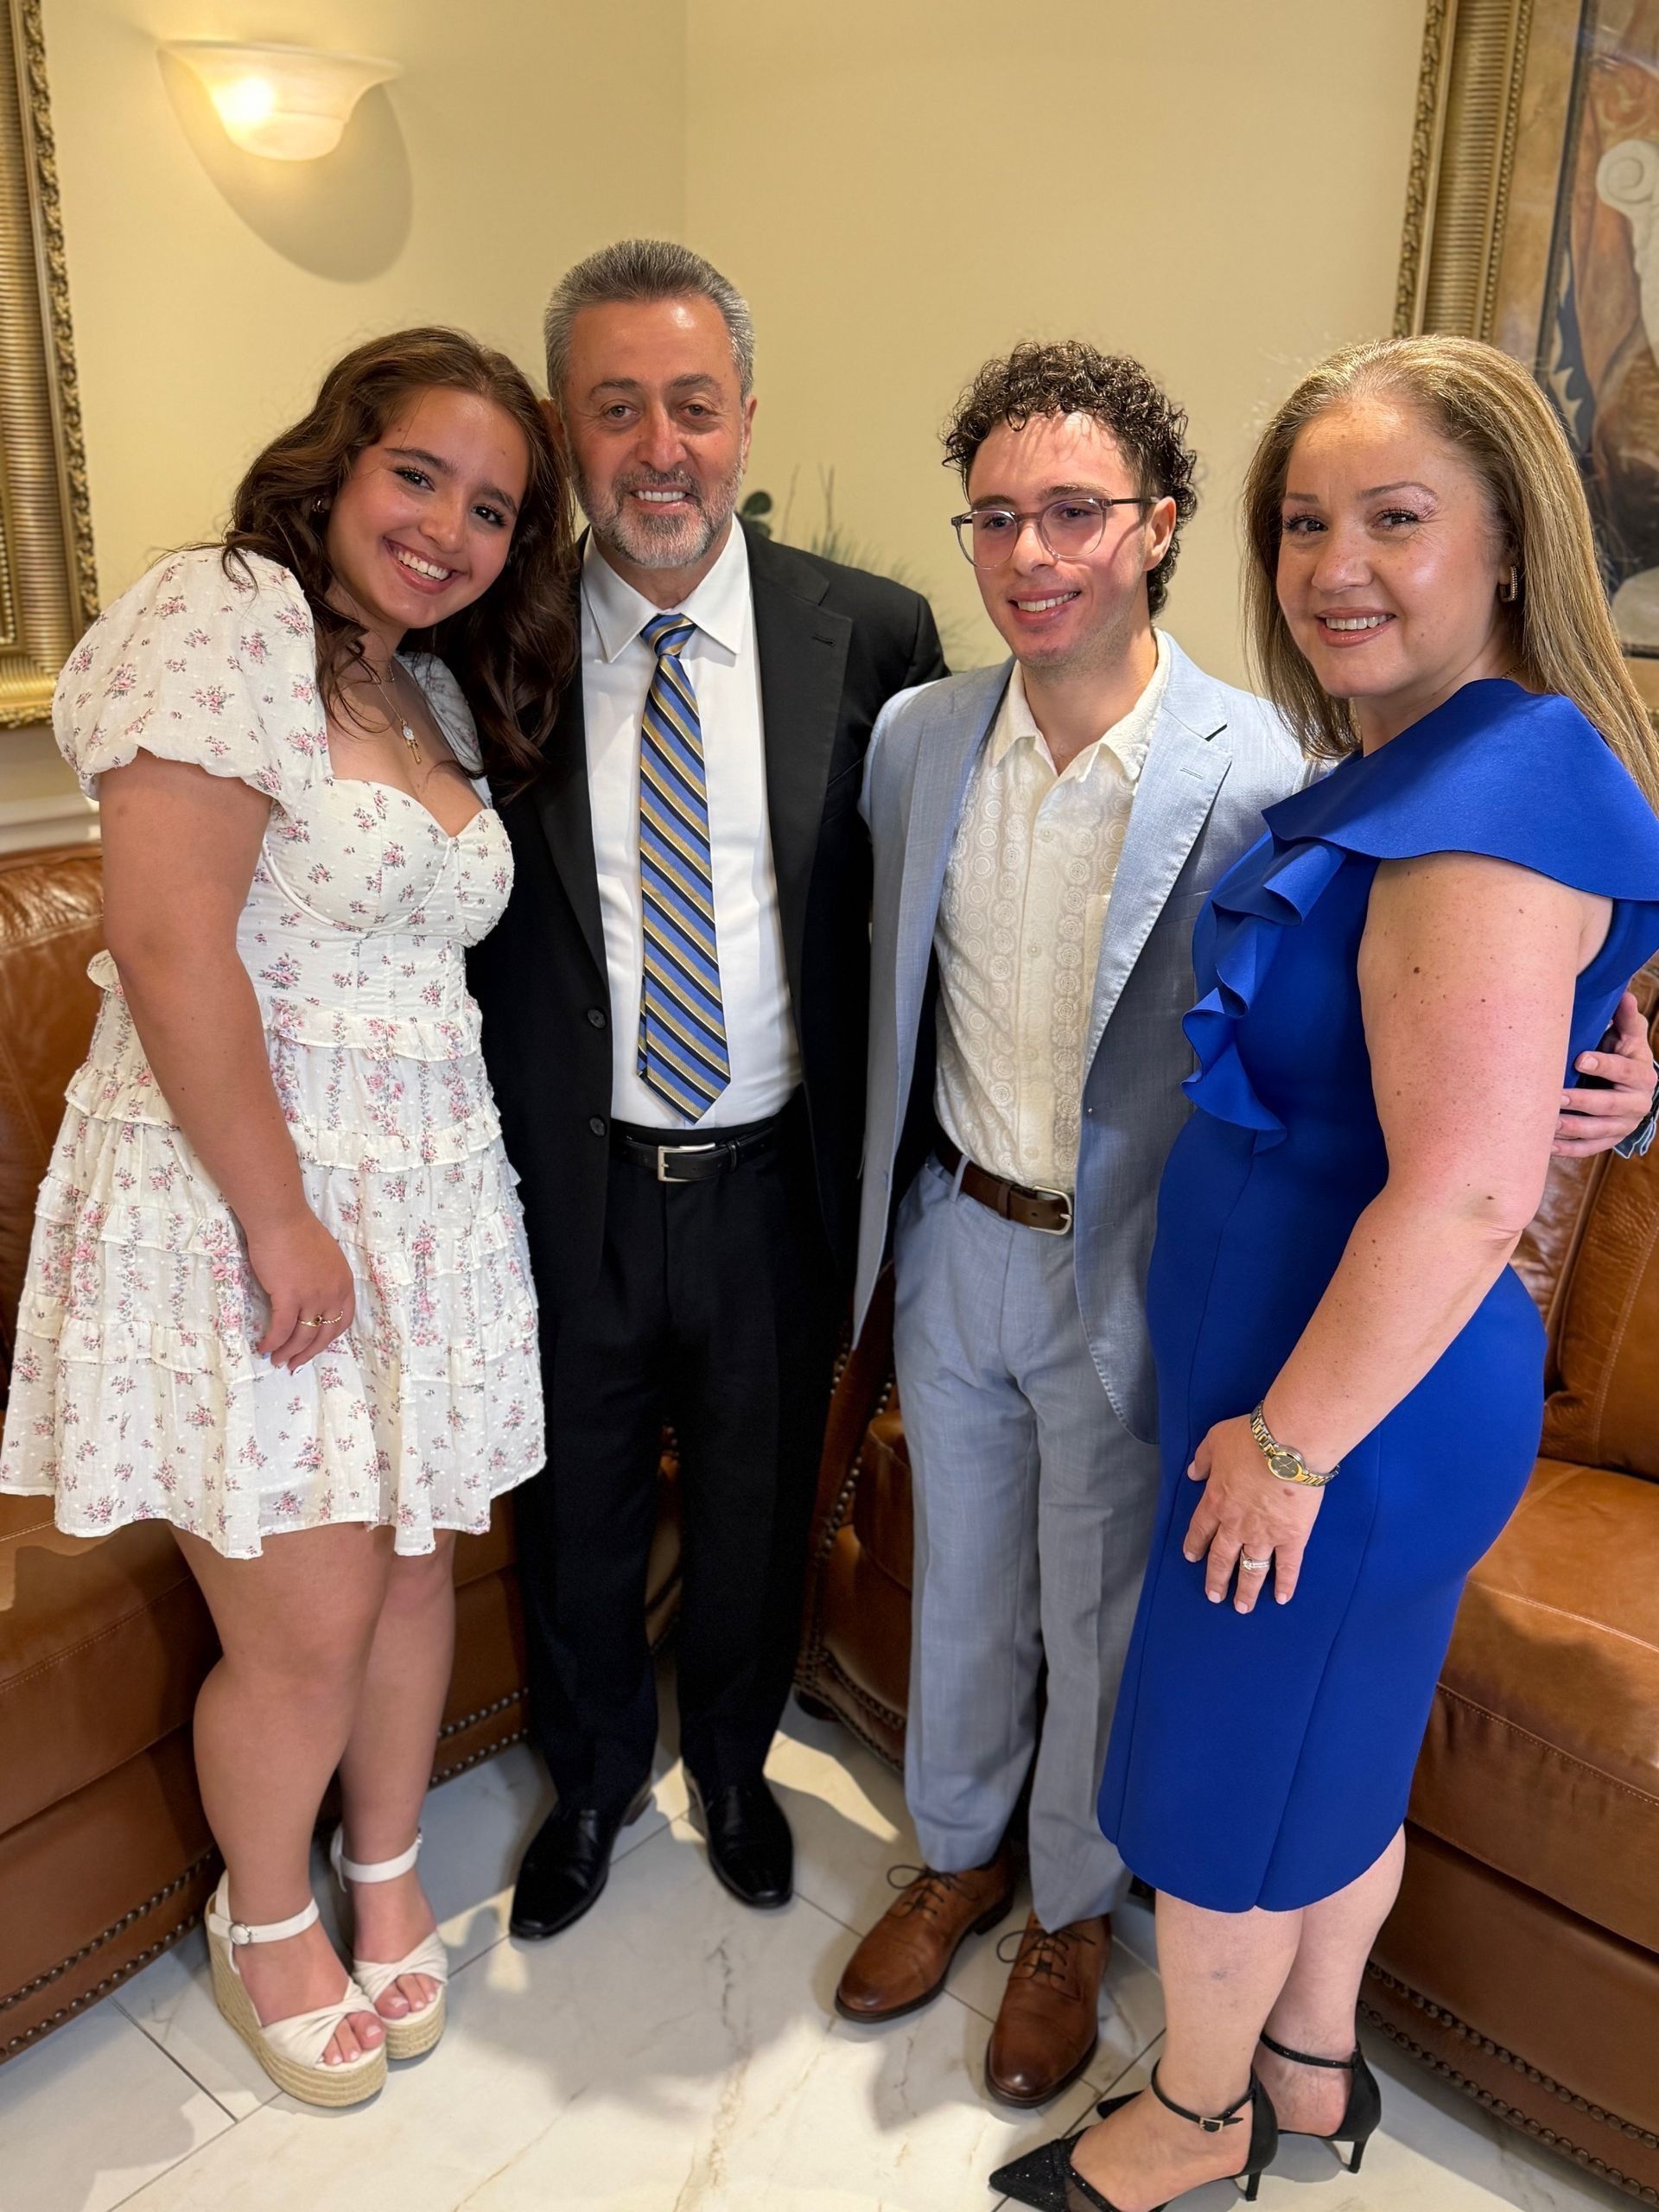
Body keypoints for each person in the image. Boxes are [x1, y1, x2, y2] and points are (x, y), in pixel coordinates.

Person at [839, 340, 1659, 2115]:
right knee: (966, 1583)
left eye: (1076, 509)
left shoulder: (1274, 760)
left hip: (1138, 1273)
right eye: (996, 515)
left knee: (1105, 1611)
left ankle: (1073, 1923)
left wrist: (1622, 1082)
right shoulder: (915, 739)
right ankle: (956, 1859)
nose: (1033, 550)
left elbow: (1477, 1078)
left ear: (1158, 528)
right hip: (953, 1232)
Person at [0, 330, 574, 2107]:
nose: (451, 530)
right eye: (420, 476)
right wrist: (279, 1220)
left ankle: (384, 1864)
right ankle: (264, 1914)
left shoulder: (429, 687)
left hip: (428, 1196)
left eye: (493, 510)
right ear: (337, 463)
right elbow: (170, 945)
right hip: (252, 1194)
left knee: (411, 1565)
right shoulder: (224, 612)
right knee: (308, 1619)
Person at [467, 240, 946, 1940]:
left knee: (753, 1507)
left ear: (746, 416)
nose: (658, 448)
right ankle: (595, 1780)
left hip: (772, 1184)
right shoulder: (495, 639)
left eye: (692, 404)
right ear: (563, 431)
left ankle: (733, 1768)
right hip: (572, 1180)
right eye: (616, 409)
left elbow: (929, 907)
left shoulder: (871, 631)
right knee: (576, 1511)